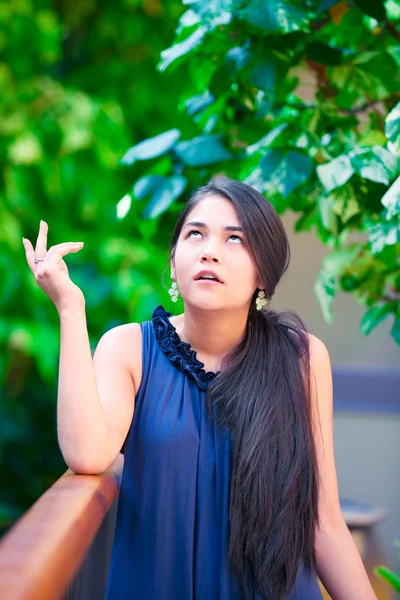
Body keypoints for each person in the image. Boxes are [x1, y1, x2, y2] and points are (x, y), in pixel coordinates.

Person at [22, 176, 377, 600]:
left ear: (263, 272)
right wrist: (69, 307)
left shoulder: (301, 358)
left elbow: (324, 523)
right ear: (173, 262)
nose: (210, 250)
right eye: (196, 234)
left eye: (234, 240)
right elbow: (86, 453)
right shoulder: (129, 349)